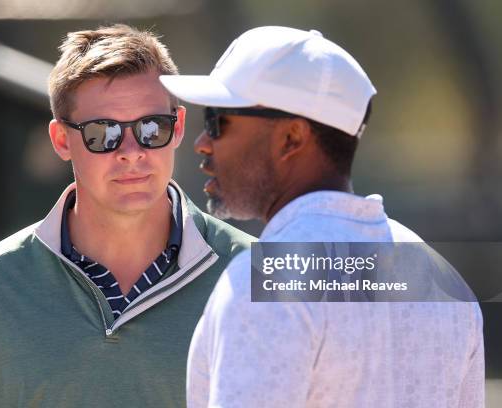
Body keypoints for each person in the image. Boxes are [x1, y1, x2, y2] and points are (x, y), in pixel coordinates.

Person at [0, 24, 253, 407]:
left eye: (153, 128)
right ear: (61, 140)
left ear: (178, 126)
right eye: (103, 133)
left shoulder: (257, 271)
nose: (132, 152)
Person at [160, 26, 484, 407]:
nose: (202, 143)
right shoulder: (442, 280)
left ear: (292, 138)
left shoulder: (267, 283)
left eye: (217, 120)